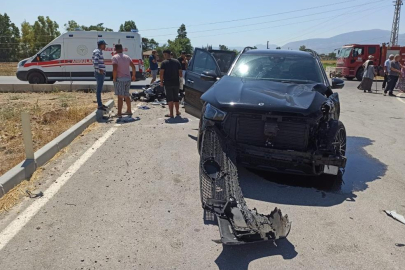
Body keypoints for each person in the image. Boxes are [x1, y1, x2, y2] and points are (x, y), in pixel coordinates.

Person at [112, 44, 136, 117]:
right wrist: (133, 75)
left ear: (115, 49)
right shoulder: (127, 57)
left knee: (120, 97)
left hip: (120, 79)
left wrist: (114, 78)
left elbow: (115, 69)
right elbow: (133, 66)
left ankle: (119, 113)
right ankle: (129, 110)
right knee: (126, 95)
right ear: (122, 49)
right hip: (128, 79)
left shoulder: (115, 57)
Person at [160, 49, 182, 118]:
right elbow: (180, 73)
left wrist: (161, 82)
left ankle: (171, 114)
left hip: (168, 83)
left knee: (170, 98)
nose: (164, 56)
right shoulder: (177, 62)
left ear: (166, 54)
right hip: (176, 83)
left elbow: (161, 73)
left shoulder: (164, 63)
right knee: (176, 97)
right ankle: (177, 112)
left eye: (164, 55)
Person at [92, 40, 108, 111]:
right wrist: (99, 70)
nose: (105, 46)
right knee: (99, 90)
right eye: (104, 45)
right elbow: (95, 62)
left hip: (100, 73)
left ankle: (100, 104)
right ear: (101, 45)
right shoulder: (98, 52)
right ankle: (99, 105)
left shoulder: (98, 51)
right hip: (99, 73)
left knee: (99, 89)